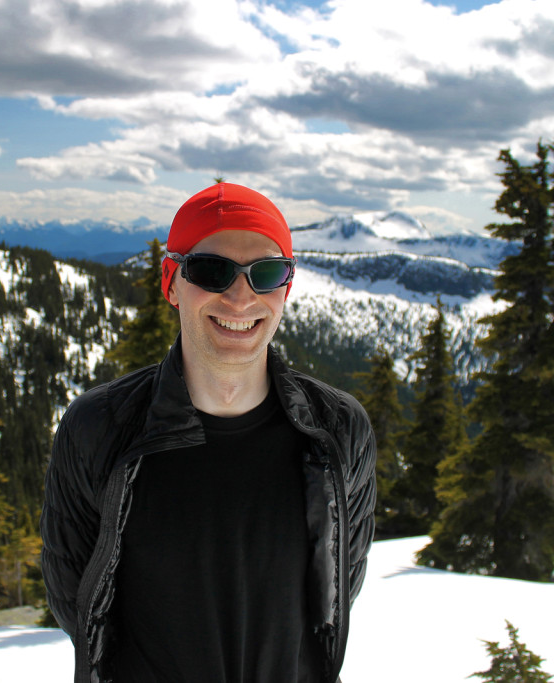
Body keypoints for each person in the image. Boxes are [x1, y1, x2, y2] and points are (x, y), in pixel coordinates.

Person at [40, 182, 377, 683]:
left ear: (287, 288)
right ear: (171, 283)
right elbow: (78, 603)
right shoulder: (99, 428)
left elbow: (338, 588)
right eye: (211, 271)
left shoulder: (338, 430)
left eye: (266, 273)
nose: (241, 296)